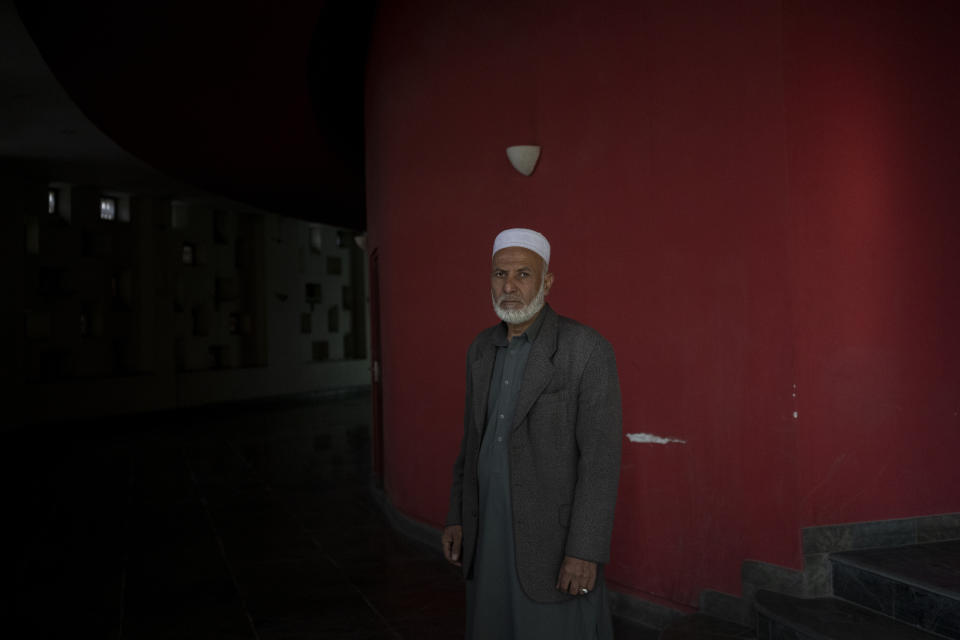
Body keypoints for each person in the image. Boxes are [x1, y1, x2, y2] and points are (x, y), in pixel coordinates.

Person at [441, 228, 622, 639]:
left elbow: (601, 462)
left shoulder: (585, 349)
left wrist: (584, 550)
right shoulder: (481, 349)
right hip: (487, 530)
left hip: (553, 540)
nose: (508, 286)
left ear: (547, 281)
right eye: (499, 274)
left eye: (523, 274)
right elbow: (470, 444)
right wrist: (457, 515)